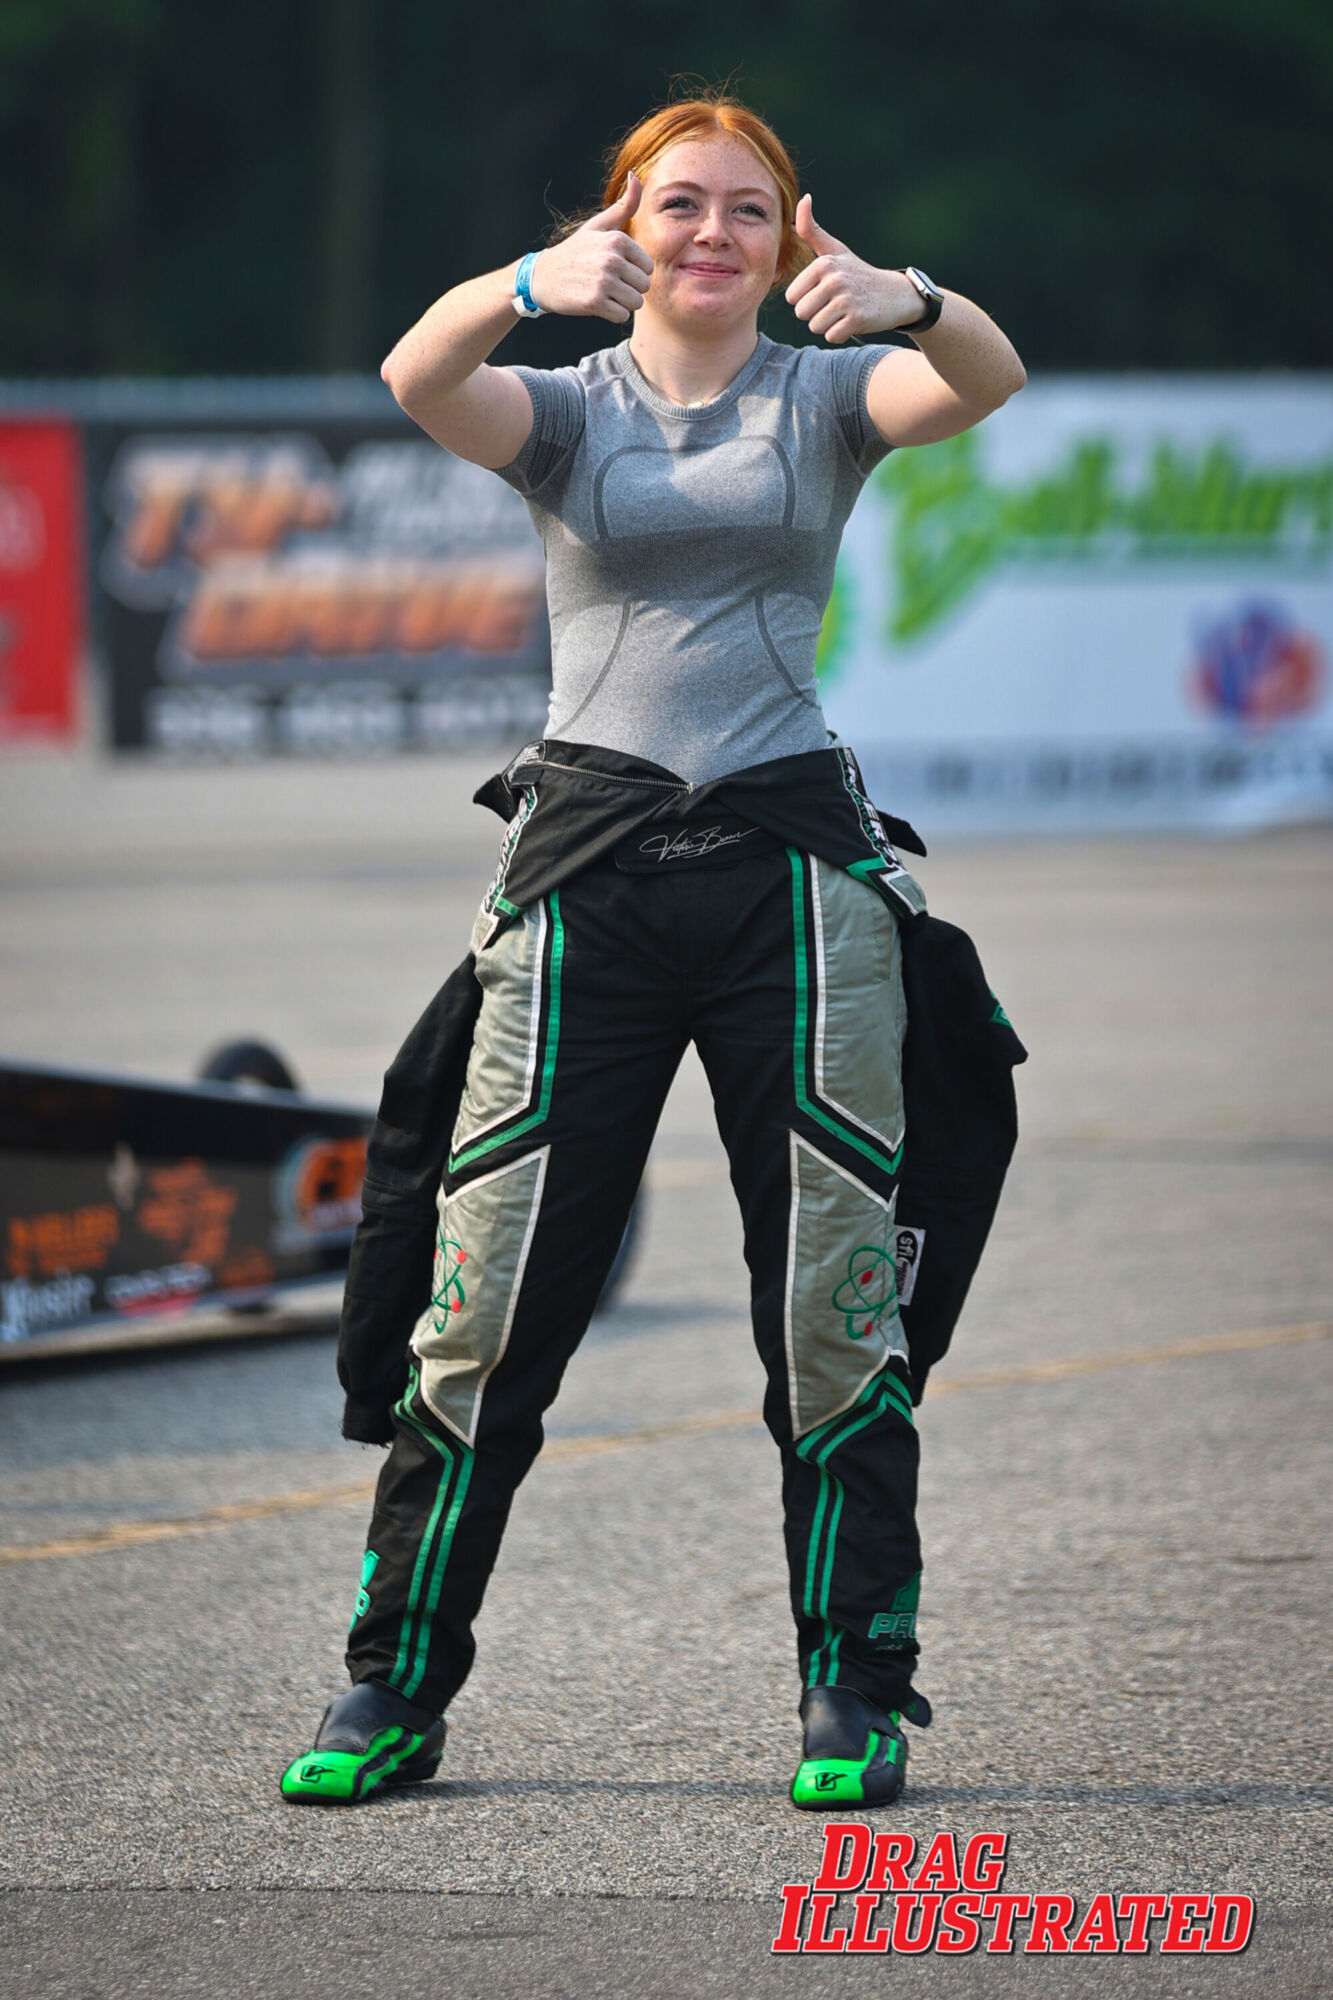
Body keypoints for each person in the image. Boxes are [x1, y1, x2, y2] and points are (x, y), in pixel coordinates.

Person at [280, 91, 1025, 1810]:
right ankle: (390, 1686)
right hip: (585, 882)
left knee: (832, 1305)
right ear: (622, 223)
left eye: (748, 208)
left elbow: (982, 379)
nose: (712, 233)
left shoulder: (828, 396)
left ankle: (853, 1689)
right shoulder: (562, 408)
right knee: (483, 1315)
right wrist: (520, 284)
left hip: (792, 884)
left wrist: (907, 298)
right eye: (678, 203)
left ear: (787, 235)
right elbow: (416, 378)